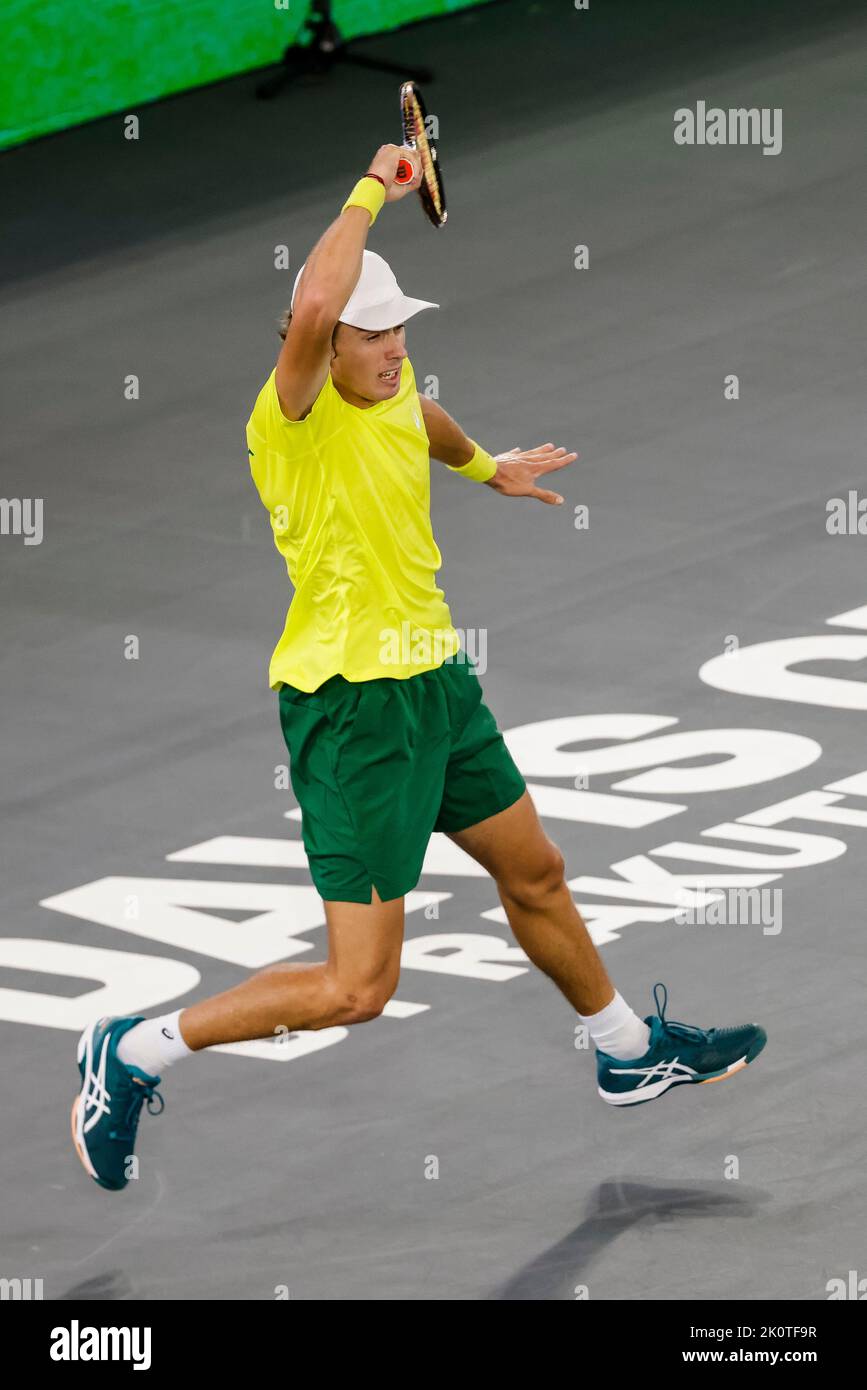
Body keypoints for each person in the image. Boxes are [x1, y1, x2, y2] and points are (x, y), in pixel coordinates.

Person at [71, 144, 766, 1193]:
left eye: (402, 328)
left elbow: (420, 419)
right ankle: (131, 1050)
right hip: (352, 710)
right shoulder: (291, 415)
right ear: (323, 345)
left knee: (533, 869)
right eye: (374, 333)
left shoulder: (388, 385)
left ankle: (628, 1052)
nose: (395, 349)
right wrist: (372, 184)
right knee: (358, 989)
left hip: (437, 685)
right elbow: (313, 304)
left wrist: (490, 468)